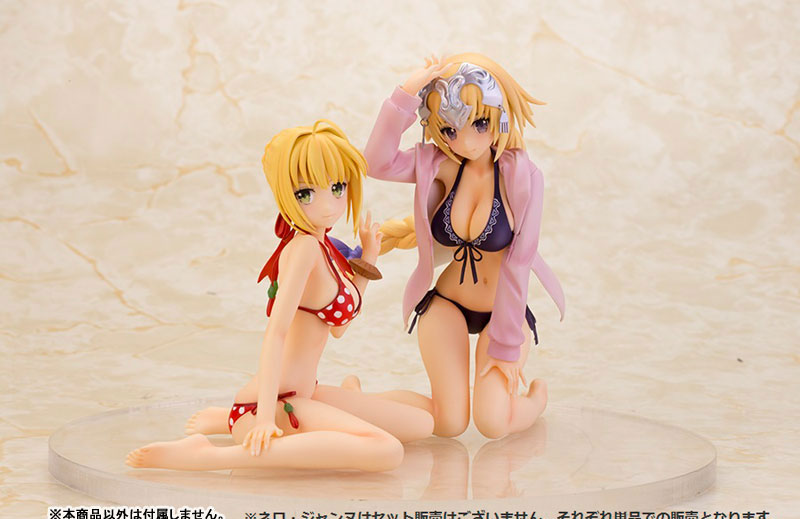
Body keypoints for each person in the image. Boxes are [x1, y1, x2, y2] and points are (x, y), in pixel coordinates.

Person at [126, 120, 433, 472]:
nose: (328, 205)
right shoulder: (303, 249)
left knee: (422, 423)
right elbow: (276, 333)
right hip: (272, 404)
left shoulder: (325, 248)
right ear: (286, 194)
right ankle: (207, 455)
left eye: (337, 187)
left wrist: (368, 261)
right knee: (386, 450)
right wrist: (263, 420)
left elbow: (338, 328)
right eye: (306, 193)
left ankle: (236, 417)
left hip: (305, 393)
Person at [360, 54, 565, 439]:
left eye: (479, 123)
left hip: (503, 313)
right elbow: (376, 163)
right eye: (450, 130)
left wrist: (507, 346)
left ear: (499, 114)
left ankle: (536, 400)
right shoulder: (438, 164)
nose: (466, 141)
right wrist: (406, 92)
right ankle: (356, 403)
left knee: (492, 423)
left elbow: (520, 262)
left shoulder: (524, 177)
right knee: (449, 423)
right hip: (447, 303)